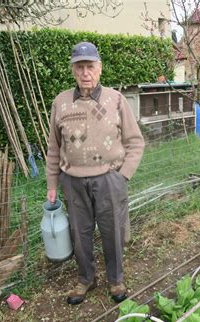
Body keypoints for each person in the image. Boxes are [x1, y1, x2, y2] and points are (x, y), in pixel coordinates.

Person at [45, 41, 144, 305]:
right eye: (80, 67)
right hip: (72, 181)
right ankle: (86, 279)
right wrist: (52, 183)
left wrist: (123, 175)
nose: (85, 72)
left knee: (113, 232)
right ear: (73, 71)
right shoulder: (61, 103)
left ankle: (116, 279)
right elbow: (54, 148)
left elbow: (135, 141)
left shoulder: (116, 99)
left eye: (90, 66)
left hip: (110, 179)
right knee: (80, 234)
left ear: (99, 68)